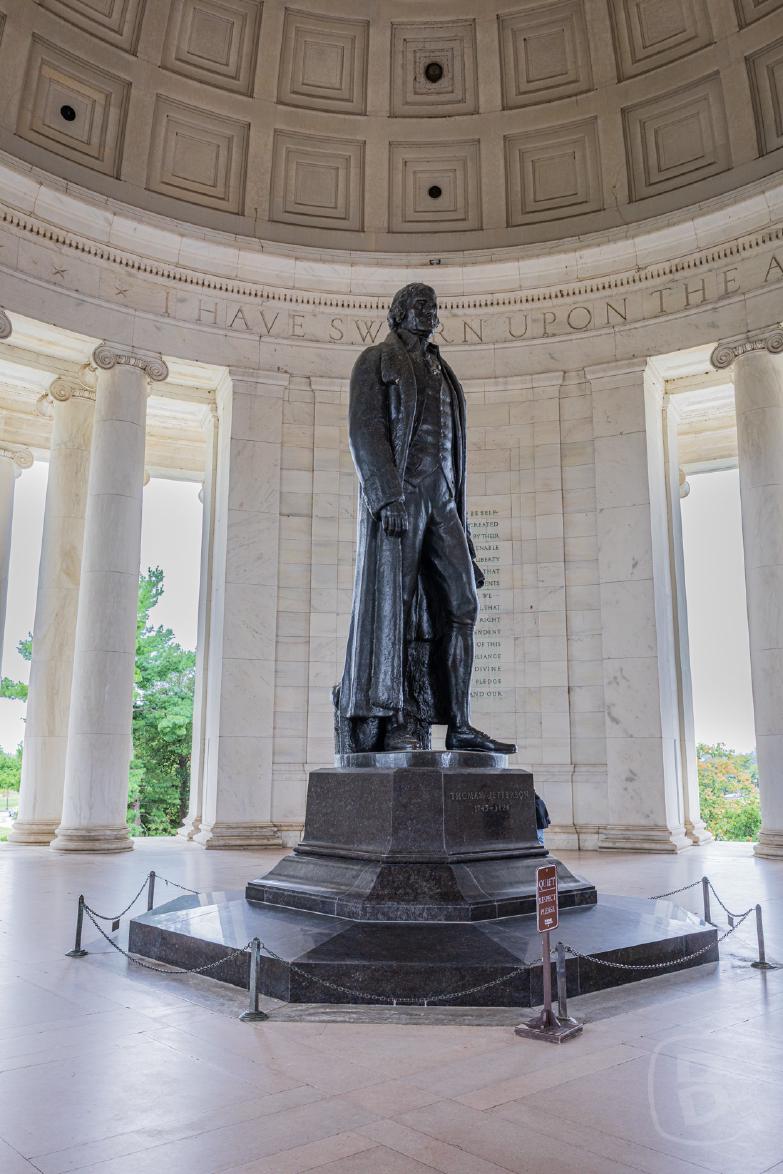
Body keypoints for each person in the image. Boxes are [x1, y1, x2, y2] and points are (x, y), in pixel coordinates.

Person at [337, 282, 516, 755]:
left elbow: (454, 457)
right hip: (403, 494)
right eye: (420, 305)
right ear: (398, 313)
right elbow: (365, 431)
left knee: (463, 605)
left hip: (444, 500)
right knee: (394, 608)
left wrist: (468, 543)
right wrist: (386, 498)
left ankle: (459, 724)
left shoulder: (444, 372)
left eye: (433, 307)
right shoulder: (376, 360)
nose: (429, 312)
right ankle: (397, 720)